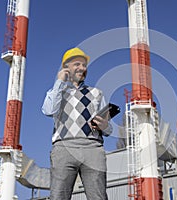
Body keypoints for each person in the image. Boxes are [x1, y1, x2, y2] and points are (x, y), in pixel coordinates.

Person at [42, 47, 112, 200]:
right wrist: (59, 82)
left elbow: (109, 129)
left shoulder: (97, 93)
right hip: (64, 147)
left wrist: (104, 125)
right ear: (66, 67)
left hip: (93, 148)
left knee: (98, 196)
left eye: (84, 65)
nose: (82, 68)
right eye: (77, 64)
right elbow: (49, 111)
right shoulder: (55, 92)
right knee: (58, 196)